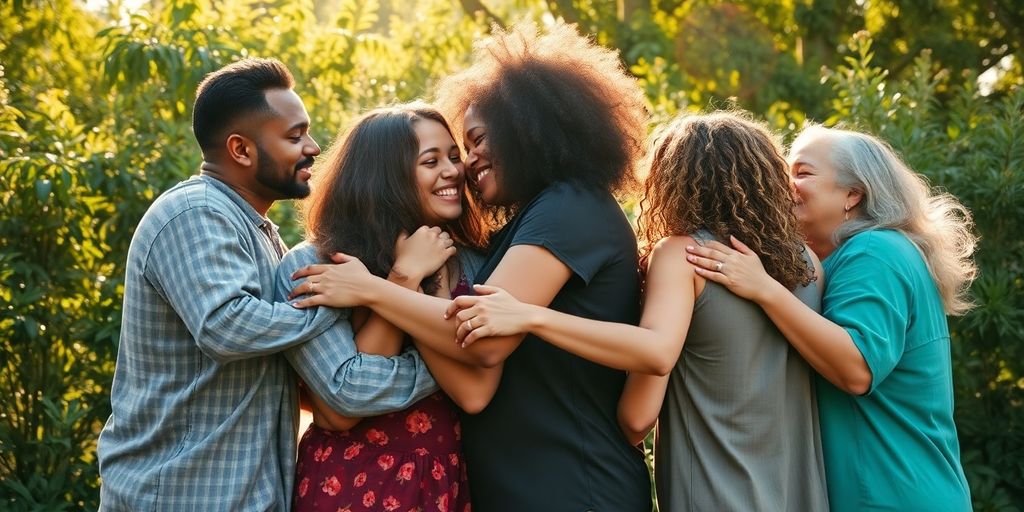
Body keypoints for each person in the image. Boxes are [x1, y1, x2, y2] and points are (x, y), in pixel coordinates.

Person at [288, 22, 652, 511]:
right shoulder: (518, 226)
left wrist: (377, 290)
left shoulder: (568, 208)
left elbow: (487, 340)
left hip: (573, 486)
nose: (466, 163)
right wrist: (411, 281)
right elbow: (470, 391)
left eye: (474, 143)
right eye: (452, 152)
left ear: (526, 129)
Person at [97, 59, 438, 511]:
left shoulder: (259, 232)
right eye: (295, 137)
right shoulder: (195, 212)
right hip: (179, 493)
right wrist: (349, 296)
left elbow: (337, 383)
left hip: (243, 495)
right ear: (241, 149)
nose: (312, 148)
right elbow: (226, 325)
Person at [445, 112, 830, 511]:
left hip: (718, 495)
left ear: (672, 183)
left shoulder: (684, 256)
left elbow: (635, 419)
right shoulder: (807, 265)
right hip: (803, 496)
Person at [686, 124, 977, 511]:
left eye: (802, 172)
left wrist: (763, 288)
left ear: (853, 194)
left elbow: (856, 369)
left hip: (889, 497)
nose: (783, 184)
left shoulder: (873, 251)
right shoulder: (862, 255)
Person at [279, 103, 487, 512]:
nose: (453, 170)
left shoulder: (472, 261)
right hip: (350, 484)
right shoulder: (318, 264)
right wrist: (404, 278)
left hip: (445, 481)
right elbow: (346, 404)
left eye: (453, 156)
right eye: (431, 161)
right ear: (386, 176)